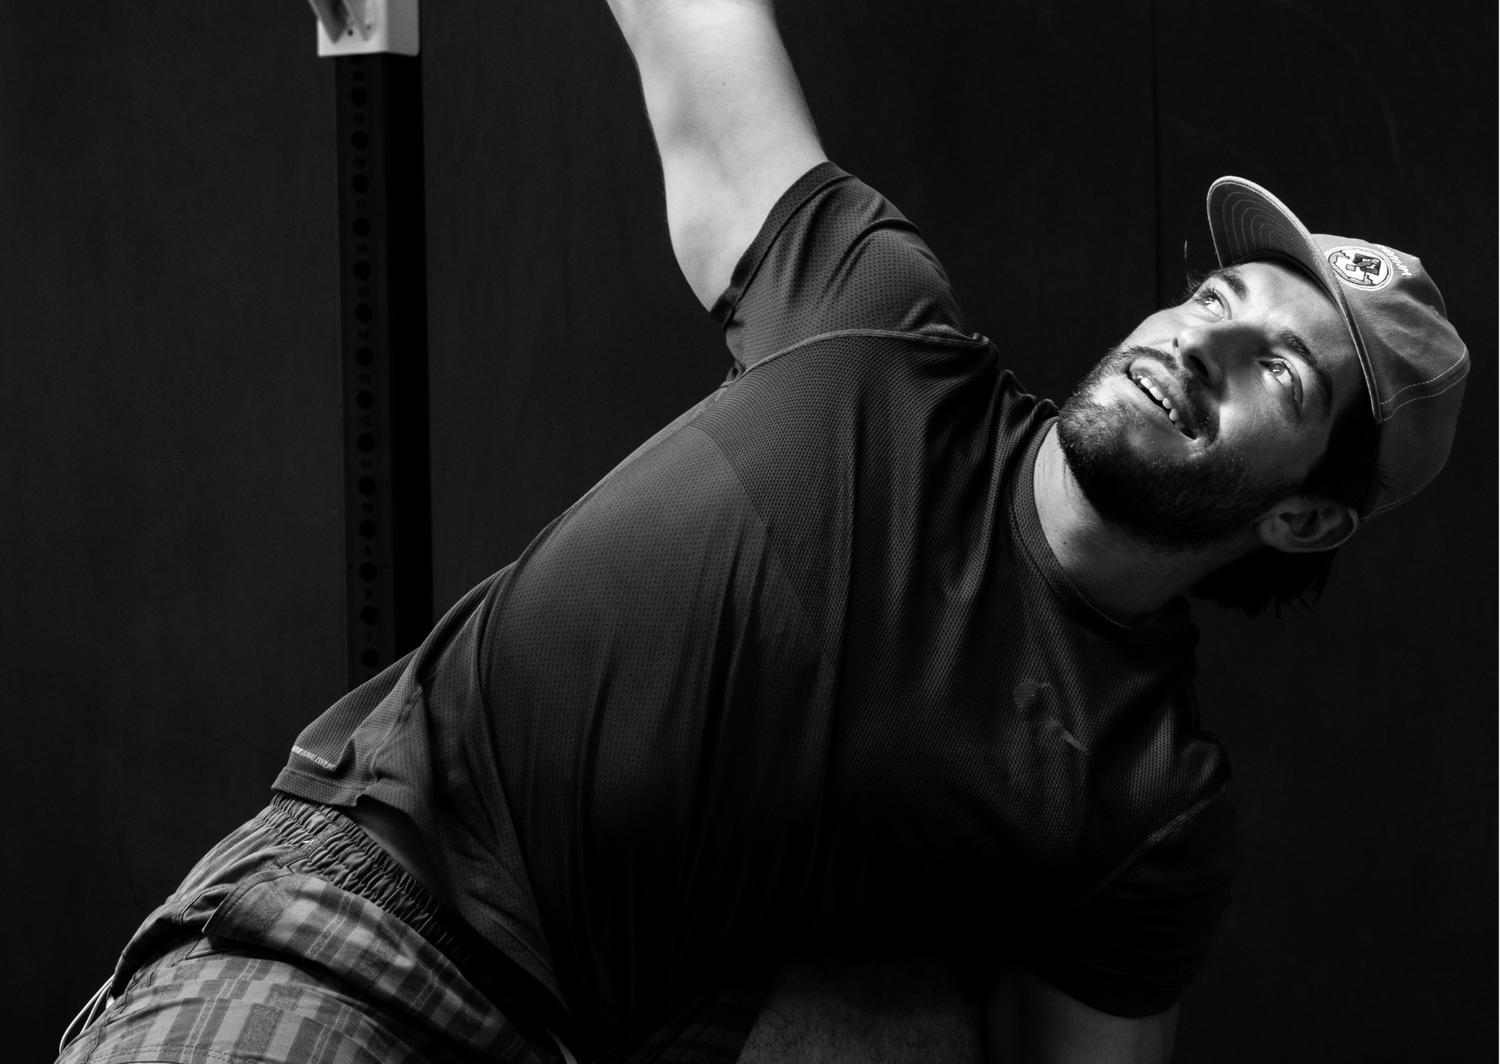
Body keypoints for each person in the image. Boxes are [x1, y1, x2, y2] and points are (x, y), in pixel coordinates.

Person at [56, 2, 1468, 1063]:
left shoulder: (1148, 800)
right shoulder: (875, 329)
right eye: (1215, 300)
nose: (1200, 342)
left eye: (1279, 374)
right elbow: (691, 26)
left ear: (1304, 512)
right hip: (368, 925)